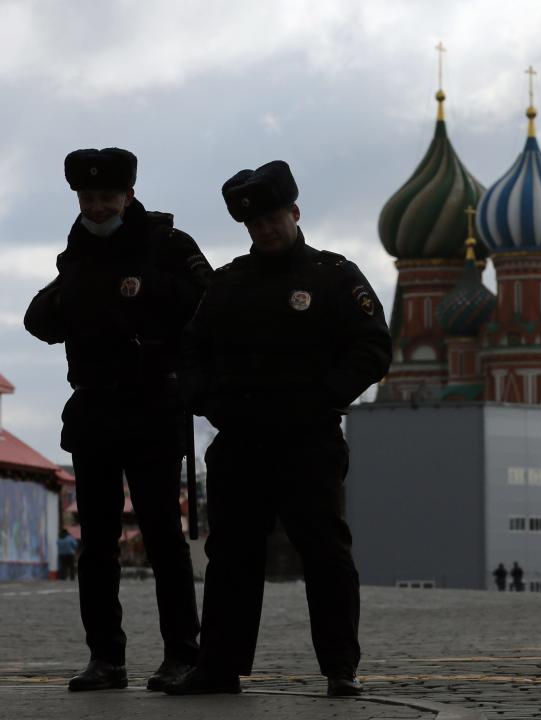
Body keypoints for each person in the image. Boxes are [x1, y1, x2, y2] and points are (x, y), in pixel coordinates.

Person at [165, 161, 391, 698]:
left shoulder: (333, 276)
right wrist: (207, 401)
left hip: (307, 440)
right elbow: (190, 352)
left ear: (294, 212)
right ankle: (218, 668)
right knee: (232, 558)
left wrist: (324, 396)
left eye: (272, 219)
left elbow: (373, 347)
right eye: (254, 224)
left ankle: (341, 667)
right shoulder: (227, 284)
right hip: (240, 441)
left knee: (325, 553)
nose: (264, 230)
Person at [24, 148, 207, 692]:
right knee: (96, 543)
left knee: (162, 538)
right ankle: (106, 658)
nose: (98, 206)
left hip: (153, 405)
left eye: (107, 197)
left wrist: (150, 290)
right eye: (88, 198)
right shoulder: (76, 251)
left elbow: (208, 301)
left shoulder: (167, 243)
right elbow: (42, 320)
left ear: (128, 195)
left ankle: (183, 654)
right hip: (95, 410)